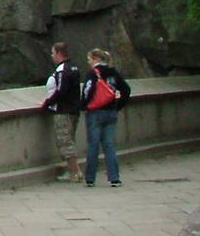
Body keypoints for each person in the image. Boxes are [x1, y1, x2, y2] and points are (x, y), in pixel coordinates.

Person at [82, 48, 132, 187]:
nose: (89, 63)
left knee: (93, 145)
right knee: (109, 145)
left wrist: (84, 106)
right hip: (111, 112)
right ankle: (114, 178)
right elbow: (126, 90)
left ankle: (90, 178)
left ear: (96, 59)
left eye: (90, 59)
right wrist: (118, 106)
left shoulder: (93, 73)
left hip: (96, 113)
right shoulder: (113, 72)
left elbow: (88, 91)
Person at [40, 41, 83, 182]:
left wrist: (47, 103)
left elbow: (61, 91)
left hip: (63, 110)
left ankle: (75, 172)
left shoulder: (62, 70)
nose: (52, 56)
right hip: (74, 110)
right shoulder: (74, 68)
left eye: (53, 53)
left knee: (65, 142)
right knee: (70, 140)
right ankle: (73, 171)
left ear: (59, 54)